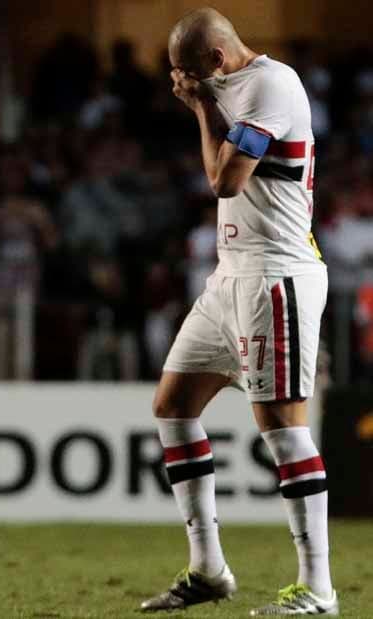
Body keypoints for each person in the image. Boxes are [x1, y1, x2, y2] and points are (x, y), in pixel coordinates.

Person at [141, 8, 336, 615]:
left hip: (275, 277)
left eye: (188, 75)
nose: (184, 85)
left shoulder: (272, 86)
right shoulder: (235, 88)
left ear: (217, 62)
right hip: (231, 276)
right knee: (173, 405)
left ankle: (318, 587)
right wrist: (205, 101)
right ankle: (209, 569)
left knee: (280, 421)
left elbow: (225, 180)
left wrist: (201, 107)